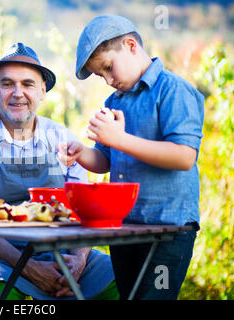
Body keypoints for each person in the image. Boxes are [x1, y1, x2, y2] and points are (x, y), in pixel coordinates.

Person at [0, 43, 118, 300]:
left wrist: (78, 262)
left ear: (42, 91)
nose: (18, 93)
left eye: (27, 84)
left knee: (120, 278)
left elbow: (84, 212)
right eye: (7, 84)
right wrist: (31, 268)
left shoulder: (61, 137)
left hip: (60, 252)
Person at [58, 15, 204, 299]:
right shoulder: (114, 103)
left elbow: (184, 156)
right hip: (124, 226)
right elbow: (106, 159)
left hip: (169, 227)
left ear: (131, 45)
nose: (109, 81)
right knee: (129, 295)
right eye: (102, 76)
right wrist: (82, 153)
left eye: (109, 68)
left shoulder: (173, 90)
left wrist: (120, 138)